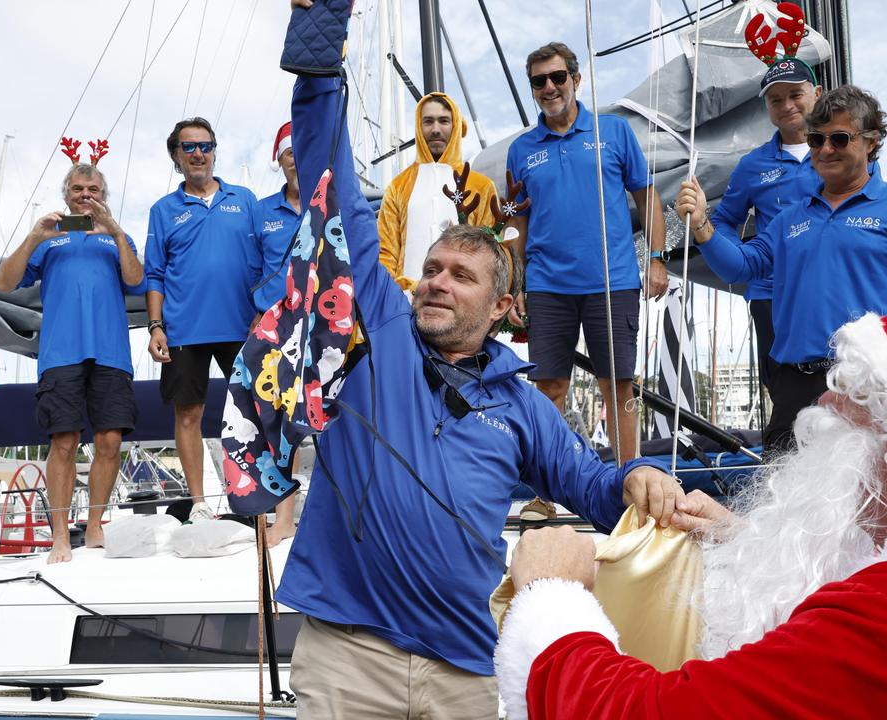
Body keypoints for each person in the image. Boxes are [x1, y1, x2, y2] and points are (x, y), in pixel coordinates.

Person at [275, 14, 685, 717]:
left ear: (502, 307)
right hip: (348, 656)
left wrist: (643, 476)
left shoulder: (522, 403)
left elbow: (590, 484)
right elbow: (333, 192)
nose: (435, 281)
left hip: (468, 664)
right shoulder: (379, 334)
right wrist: (317, 70)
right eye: (431, 268)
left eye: (462, 275)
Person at [494, 261, 887, 719]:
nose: (826, 403)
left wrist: (553, 597)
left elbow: (646, 710)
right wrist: (744, 537)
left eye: (861, 394)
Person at [676, 84, 887, 453]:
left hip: (871, 383)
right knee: (786, 503)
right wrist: (701, 225)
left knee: (873, 505)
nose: (824, 150)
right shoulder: (790, 219)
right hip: (796, 388)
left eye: (839, 138)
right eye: (816, 139)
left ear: (871, 141)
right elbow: (740, 267)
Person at [505, 41, 668, 475]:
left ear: (576, 80)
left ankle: (629, 484)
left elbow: (646, 195)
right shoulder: (520, 151)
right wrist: (513, 285)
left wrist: (655, 257)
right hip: (545, 286)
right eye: (539, 81)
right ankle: (547, 491)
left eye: (558, 77)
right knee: (548, 387)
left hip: (612, 282)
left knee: (618, 386)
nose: (550, 87)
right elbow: (515, 221)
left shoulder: (614, 132)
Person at [0, 161, 144, 564]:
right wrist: (33, 236)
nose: (85, 195)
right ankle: (60, 534)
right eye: (77, 188)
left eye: (93, 188)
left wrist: (114, 231)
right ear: (66, 195)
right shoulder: (49, 236)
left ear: (104, 195)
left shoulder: (116, 236)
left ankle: (94, 526)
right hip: (60, 353)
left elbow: (135, 280)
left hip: (110, 350)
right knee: (63, 442)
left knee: (110, 441)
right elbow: (4, 283)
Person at [145, 117, 265, 525]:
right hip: (183, 329)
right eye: (189, 147)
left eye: (205, 145)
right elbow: (155, 273)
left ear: (214, 150)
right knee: (188, 413)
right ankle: (198, 504)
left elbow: (267, 261)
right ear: (176, 157)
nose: (199, 153)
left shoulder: (245, 200)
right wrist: (155, 326)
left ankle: (256, 497)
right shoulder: (162, 211)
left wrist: (264, 314)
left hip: (243, 326)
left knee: (254, 412)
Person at [708, 57, 822, 394]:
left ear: (816, 93)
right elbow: (725, 219)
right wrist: (745, 257)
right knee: (786, 396)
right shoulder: (752, 165)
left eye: (795, 94)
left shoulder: (841, 150)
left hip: (834, 287)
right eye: (776, 99)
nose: (786, 105)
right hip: (774, 294)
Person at [377, 92, 497, 291]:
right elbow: (386, 251)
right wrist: (390, 297)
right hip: (406, 301)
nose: (435, 129)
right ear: (418, 126)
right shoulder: (398, 186)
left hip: (461, 302)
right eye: (428, 121)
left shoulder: (481, 186)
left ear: (456, 125)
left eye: (444, 121)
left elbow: (492, 250)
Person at [253, 120, 302, 546]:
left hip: (328, 323)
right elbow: (250, 271)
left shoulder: (333, 201)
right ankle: (283, 516)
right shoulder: (261, 211)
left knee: (334, 417)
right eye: (289, 152)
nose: (295, 159)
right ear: (279, 159)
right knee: (281, 418)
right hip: (277, 324)